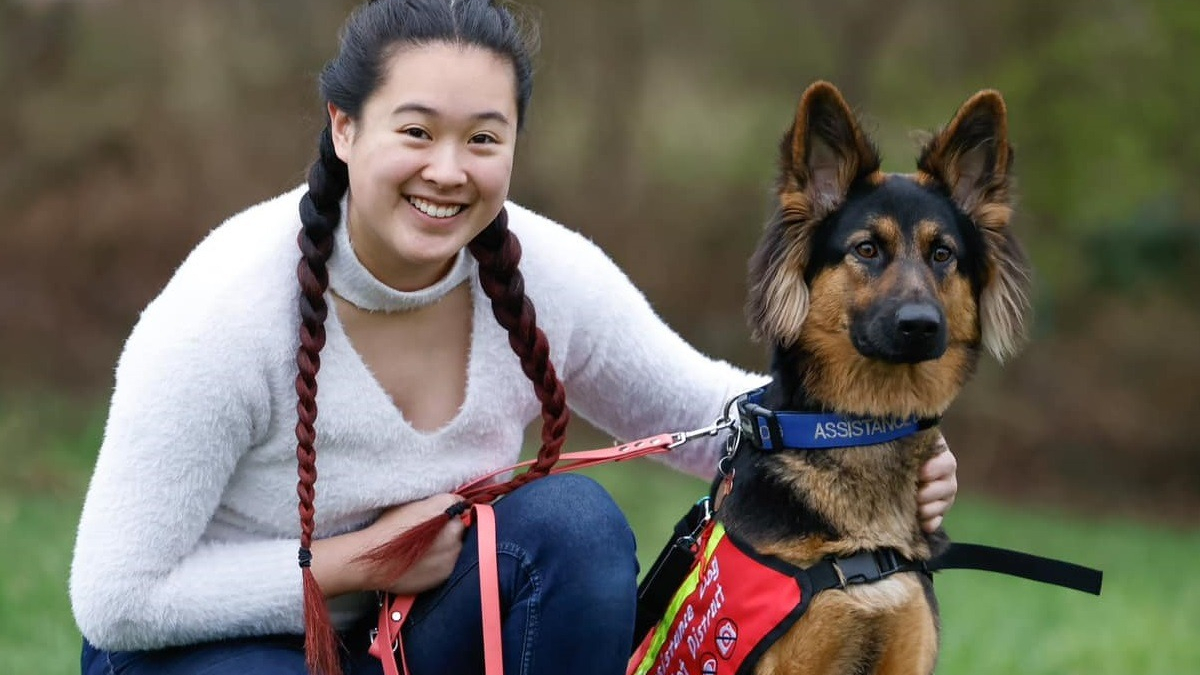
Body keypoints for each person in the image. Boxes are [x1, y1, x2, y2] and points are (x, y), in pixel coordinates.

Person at [69, 1, 959, 674]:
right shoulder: (224, 311)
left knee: (572, 528)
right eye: (414, 130)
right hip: (204, 643)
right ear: (345, 128)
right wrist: (352, 562)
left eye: (482, 138)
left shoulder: (544, 272)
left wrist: (876, 446)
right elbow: (117, 598)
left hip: (406, 631)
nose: (447, 170)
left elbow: (708, 412)